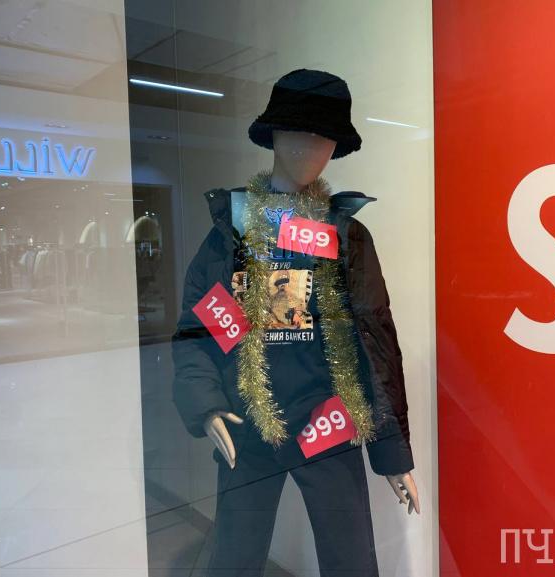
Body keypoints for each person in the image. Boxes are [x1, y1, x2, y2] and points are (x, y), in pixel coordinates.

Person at [172, 68, 419, 577]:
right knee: (234, 559)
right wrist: (207, 404)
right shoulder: (233, 231)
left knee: (351, 561)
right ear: (275, 135)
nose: (311, 146)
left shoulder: (347, 236)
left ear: (336, 146)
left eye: (323, 136)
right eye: (298, 132)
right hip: (247, 421)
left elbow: (376, 339)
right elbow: (197, 324)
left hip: (328, 421)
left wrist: (393, 452)